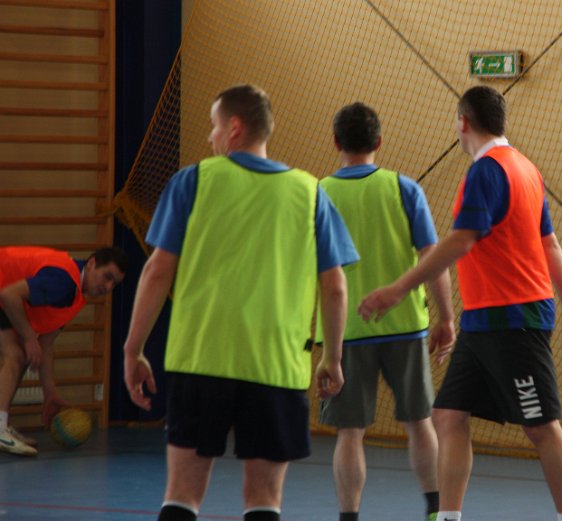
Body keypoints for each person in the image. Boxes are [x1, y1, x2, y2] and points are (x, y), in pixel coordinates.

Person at [122, 84, 358, 521]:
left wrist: (133, 348)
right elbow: (336, 287)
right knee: (264, 499)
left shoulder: (193, 181)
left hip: (200, 360)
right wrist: (332, 357)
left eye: (213, 126)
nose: (210, 137)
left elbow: (157, 271)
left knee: (181, 495)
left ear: (233, 128)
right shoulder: (310, 192)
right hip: (276, 367)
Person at [358, 86, 562, 521]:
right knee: (449, 415)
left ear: (463, 122)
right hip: (481, 321)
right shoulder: (526, 167)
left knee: (541, 426)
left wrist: (399, 288)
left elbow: (462, 240)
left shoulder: (487, 171)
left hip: (514, 318)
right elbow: (551, 245)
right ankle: (449, 517)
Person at [319, 102, 455, 521]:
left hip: (344, 332)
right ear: (379, 141)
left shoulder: (318, 194)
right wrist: (447, 318)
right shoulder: (404, 188)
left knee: (349, 432)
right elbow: (433, 258)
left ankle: (349, 516)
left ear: (336, 142)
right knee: (419, 422)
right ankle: (435, 510)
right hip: (405, 326)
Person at [0, 246, 127, 456]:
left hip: (3, 294)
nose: (108, 287)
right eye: (107, 277)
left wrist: (50, 394)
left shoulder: (74, 294)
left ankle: (2, 424)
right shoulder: (63, 282)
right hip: (4, 293)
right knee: (16, 354)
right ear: (92, 263)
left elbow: (46, 345)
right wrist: (29, 337)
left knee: (22, 355)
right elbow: (8, 295)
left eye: (114, 284)